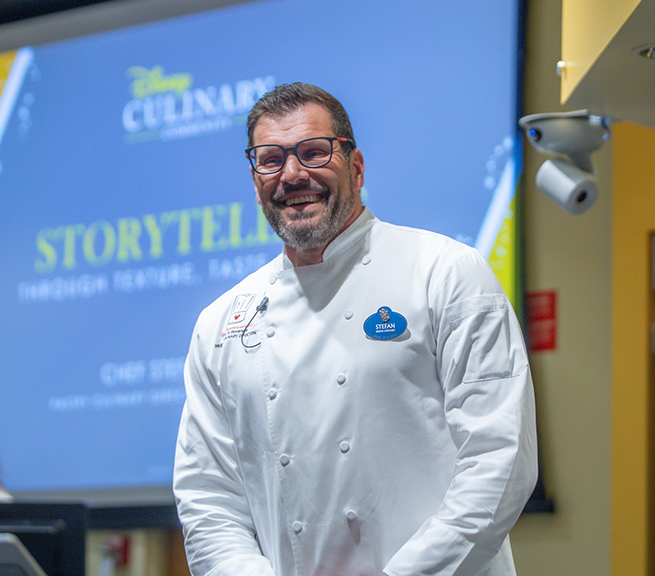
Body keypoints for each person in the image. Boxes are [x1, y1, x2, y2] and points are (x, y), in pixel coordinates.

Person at [173, 82, 538, 576]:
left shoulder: (447, 272)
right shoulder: (220, 323)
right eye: (270, 159)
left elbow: (500, 461)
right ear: (255, 178)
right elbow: (208, 496)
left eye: (313, 152)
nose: (293, 174)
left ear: (357, 166)